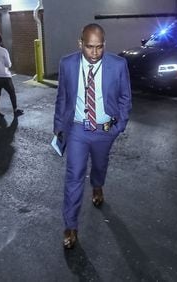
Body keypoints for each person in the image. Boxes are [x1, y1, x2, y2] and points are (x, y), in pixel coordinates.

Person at [53, 23, 132, 249]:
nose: (95, 53)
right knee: (74, 177)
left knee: (99, 165)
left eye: (99, 47)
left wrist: (119, 126)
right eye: (89, 47)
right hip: (77, 129)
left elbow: (125, 98)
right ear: (80, 44)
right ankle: (70, 226)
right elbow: (62, 98)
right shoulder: (67, 64)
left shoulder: (118, 65)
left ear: (104, 44)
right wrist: (59, 126)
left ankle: (97, 185)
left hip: (105, 128)